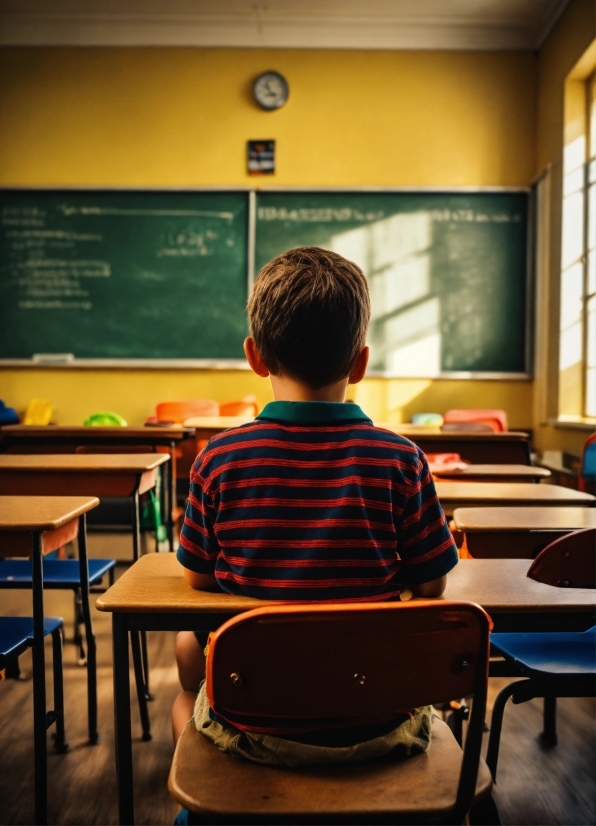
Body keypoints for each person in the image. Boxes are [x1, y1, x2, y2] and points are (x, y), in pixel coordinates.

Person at [172, 246, 458, 764]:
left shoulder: (218, 460)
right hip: (380, 717)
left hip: (255, 721)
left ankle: (211, 808)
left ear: (255, 356)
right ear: (361, 362)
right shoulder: (402, 460)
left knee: (184, 688)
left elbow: (196, 580)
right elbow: (433, 584)